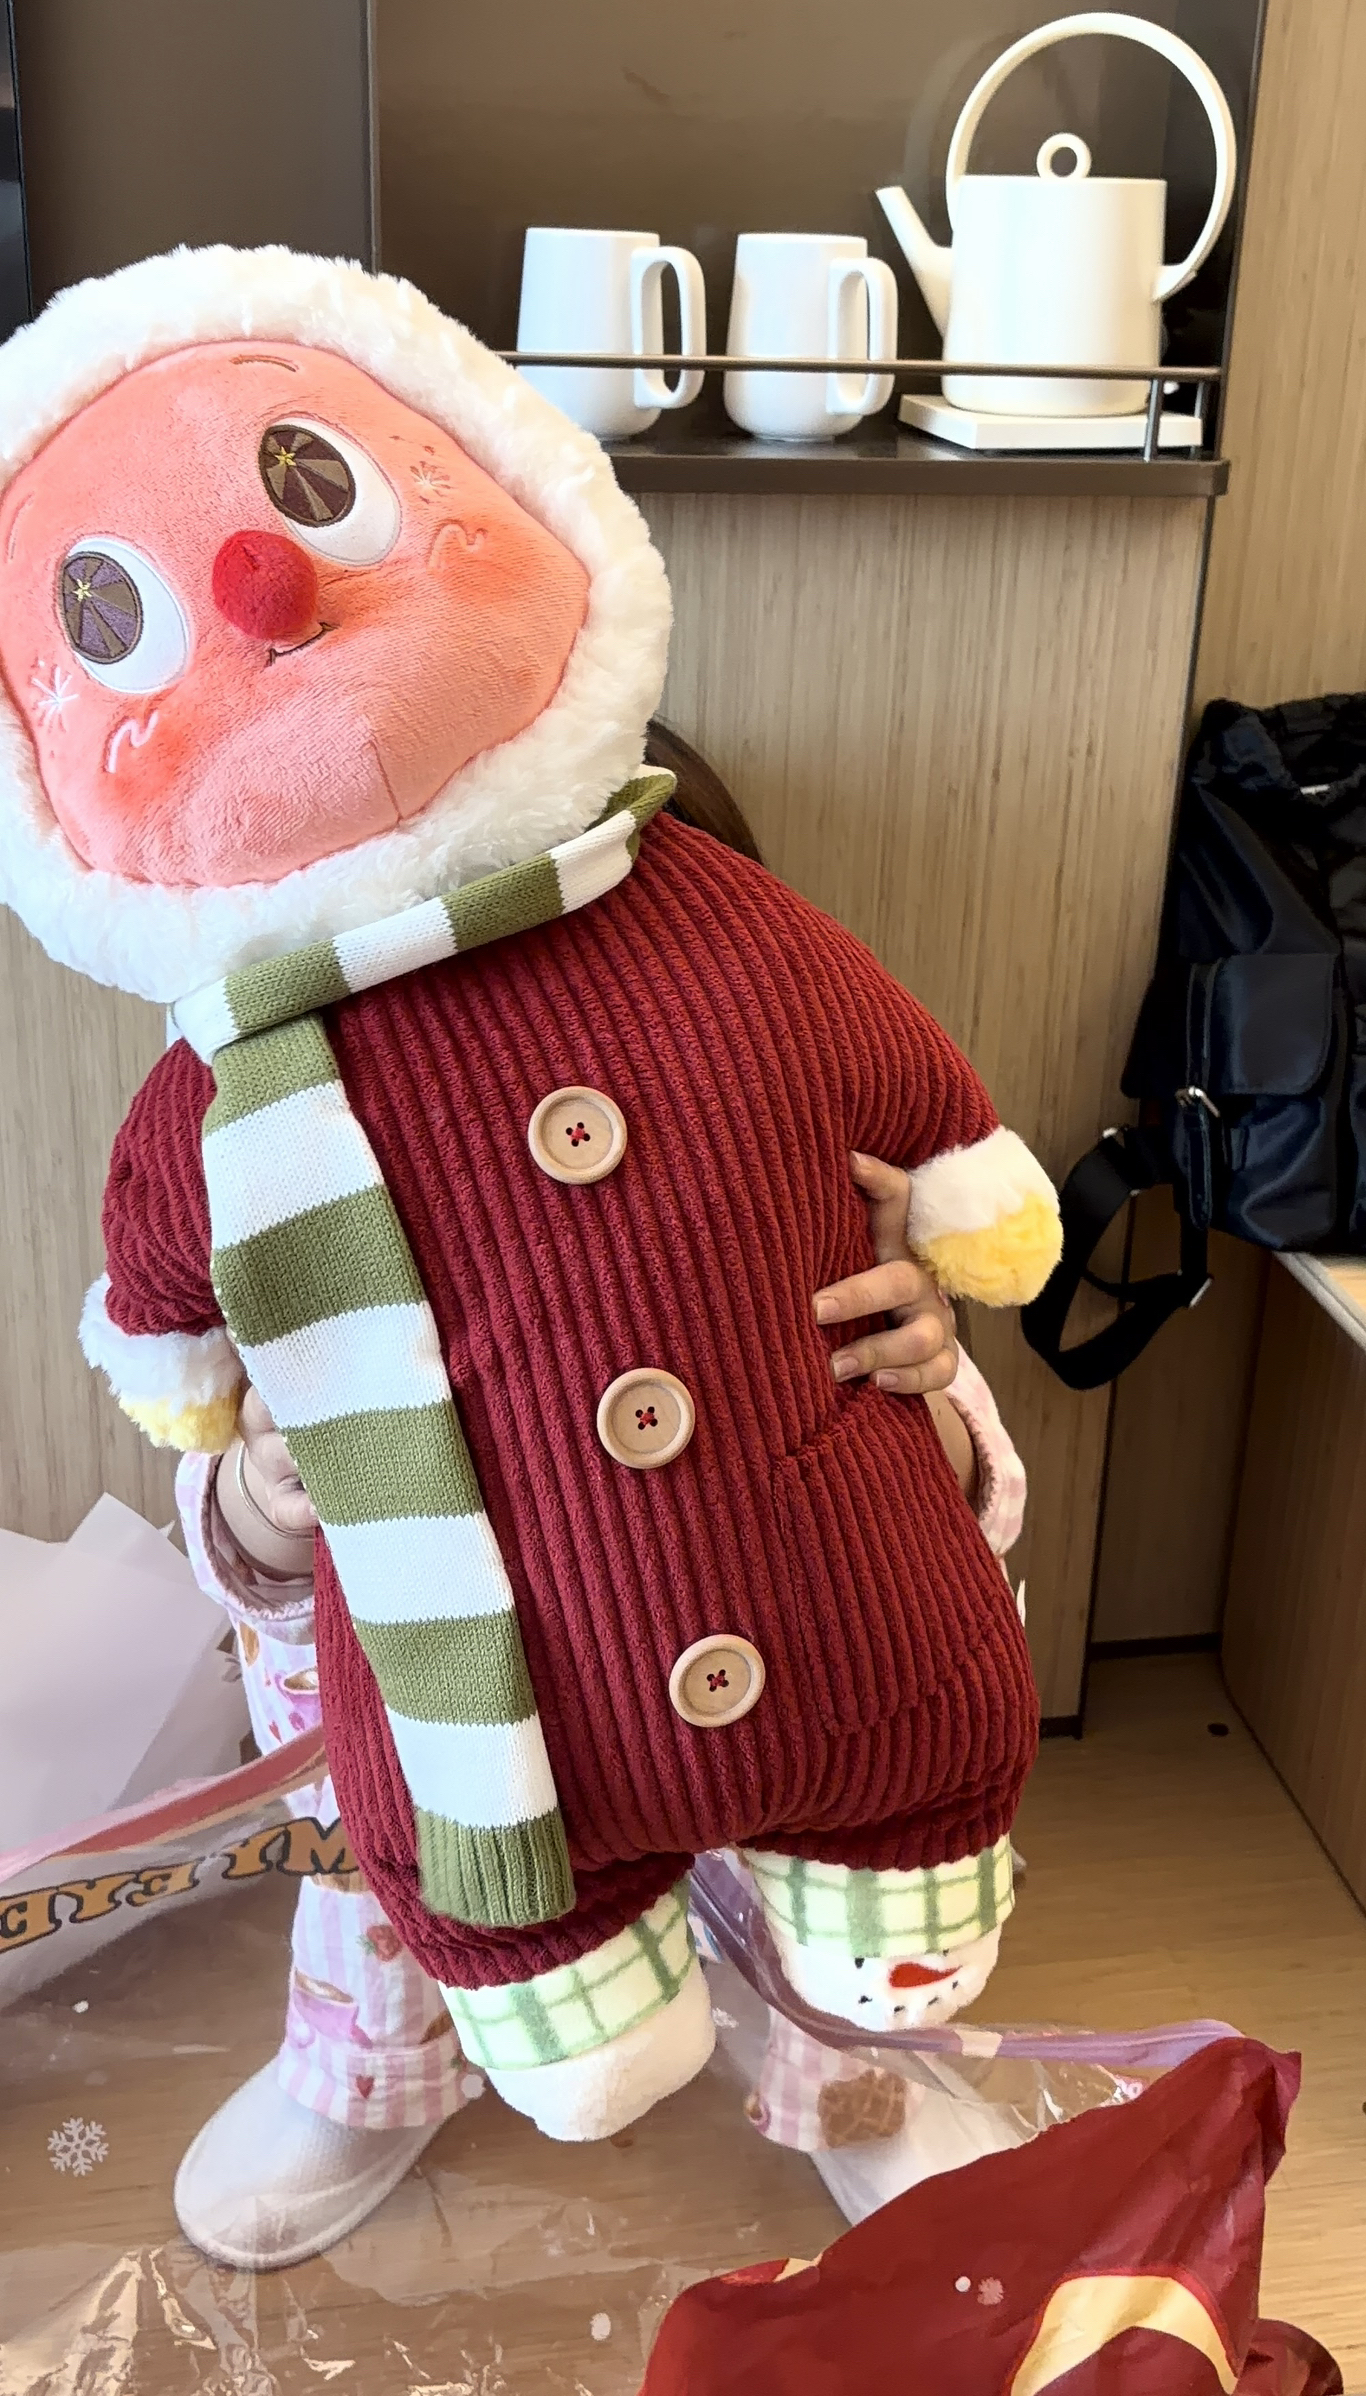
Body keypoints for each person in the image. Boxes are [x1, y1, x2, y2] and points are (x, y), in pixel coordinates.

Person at [170, 733, 1027, 2270]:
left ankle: (852, 2085)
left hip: (774, 1708)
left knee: (859, 1823)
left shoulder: (807, 1167)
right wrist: (270, 1484)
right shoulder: (320, 1162)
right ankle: (368, 2069)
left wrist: (921, 1373)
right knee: (380, 1879)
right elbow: (242, 1575)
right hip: (463, 1747)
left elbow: (969, 1519)